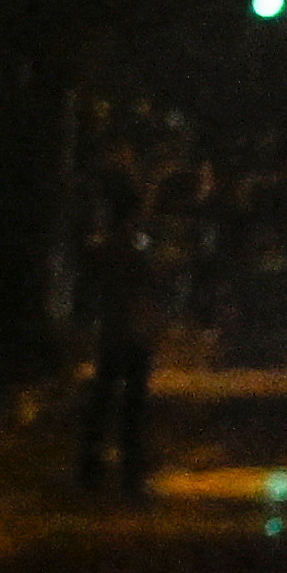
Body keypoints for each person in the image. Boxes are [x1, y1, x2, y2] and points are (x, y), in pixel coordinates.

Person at [75, 174, 165, 494]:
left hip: (113, 331)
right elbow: (152, 285)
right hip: (135, 331)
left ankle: (92, 464)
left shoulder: (104, 247)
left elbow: (92, 286)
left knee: (104, 399)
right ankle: (130, 468)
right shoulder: (137, 247)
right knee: (131, 403)